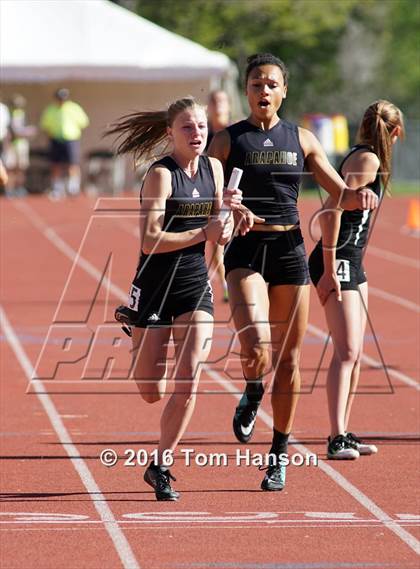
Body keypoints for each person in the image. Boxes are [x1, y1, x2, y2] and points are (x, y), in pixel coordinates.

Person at [208, 53, 378, 492]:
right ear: (245, 91)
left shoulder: (301, 139)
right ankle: (251, 388)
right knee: (257, 348)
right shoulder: (227, 141)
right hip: (246, 249)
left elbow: (337, 190)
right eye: (255, 84)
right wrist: (226, 208)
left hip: (288, 250)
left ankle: (278, 457)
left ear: (284, 91)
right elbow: (204, 192)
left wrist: (358, 198)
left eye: (271, 84)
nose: (263, 91)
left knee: (288, 362)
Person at [108, 97, 235, 501]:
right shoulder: (160, 176)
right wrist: (205, 233)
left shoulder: (215, 169)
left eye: (200, 126)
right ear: (170, 133)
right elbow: (150, 239)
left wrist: (231, 221)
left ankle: (160, 465)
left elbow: (221, 229)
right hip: (155, 284)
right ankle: (135, 328)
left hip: (194, 284)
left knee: (189, 380)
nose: (196, 133)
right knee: (151, 390)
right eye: (187, 127)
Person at [308, 100, 404, 460]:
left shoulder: (370, 161)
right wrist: (330, 269)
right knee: (346, 351)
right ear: (394, 134)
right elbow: (331, 212)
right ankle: (335, 438)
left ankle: (344, 433)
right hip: (338, 258)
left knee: (357, 352)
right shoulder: (367, 161)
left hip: (352, 260)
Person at [40, 88, 89, 199]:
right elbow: (45, 125)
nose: (62, 101)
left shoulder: (74, 108)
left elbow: (84, 122)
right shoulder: (51, 109)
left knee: (73, 163)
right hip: (56, 139)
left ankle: (73, 188)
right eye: (59, 98)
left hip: (70, 139)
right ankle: (57, 189)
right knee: (55, 164)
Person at [206, 90, 232, 302]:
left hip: (233, 193)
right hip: (210, 194)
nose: (218, 105)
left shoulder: (233, 131)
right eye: (214, 101)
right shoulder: (201, 131)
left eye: (221, 101)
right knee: (216, 241)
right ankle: (224, 283)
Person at [4, 94, 36, 197]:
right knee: (11, 168)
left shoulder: (21, 114)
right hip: (12, 145)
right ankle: (9, 189)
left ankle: (19, 188)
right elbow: (14, 131)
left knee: (21, 168)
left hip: (21, 144)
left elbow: (21, 130)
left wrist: (27, 132)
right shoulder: (8, 115)